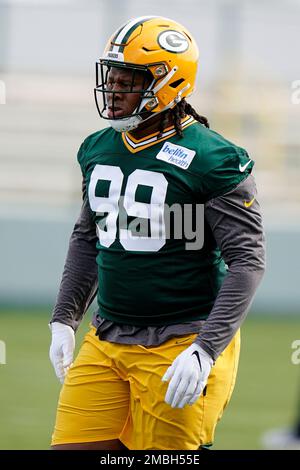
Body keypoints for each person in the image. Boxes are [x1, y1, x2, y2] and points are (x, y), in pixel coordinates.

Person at [49, 15, 265, 450]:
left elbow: (247, 261)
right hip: (108, 336)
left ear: (169, 83)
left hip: (180, 341)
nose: (113, 88)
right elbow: (88, 238)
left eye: (128, 79)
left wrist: (207, 347)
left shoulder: (212, 157)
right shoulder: (97, 147)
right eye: (111, 76)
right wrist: (65, 316)